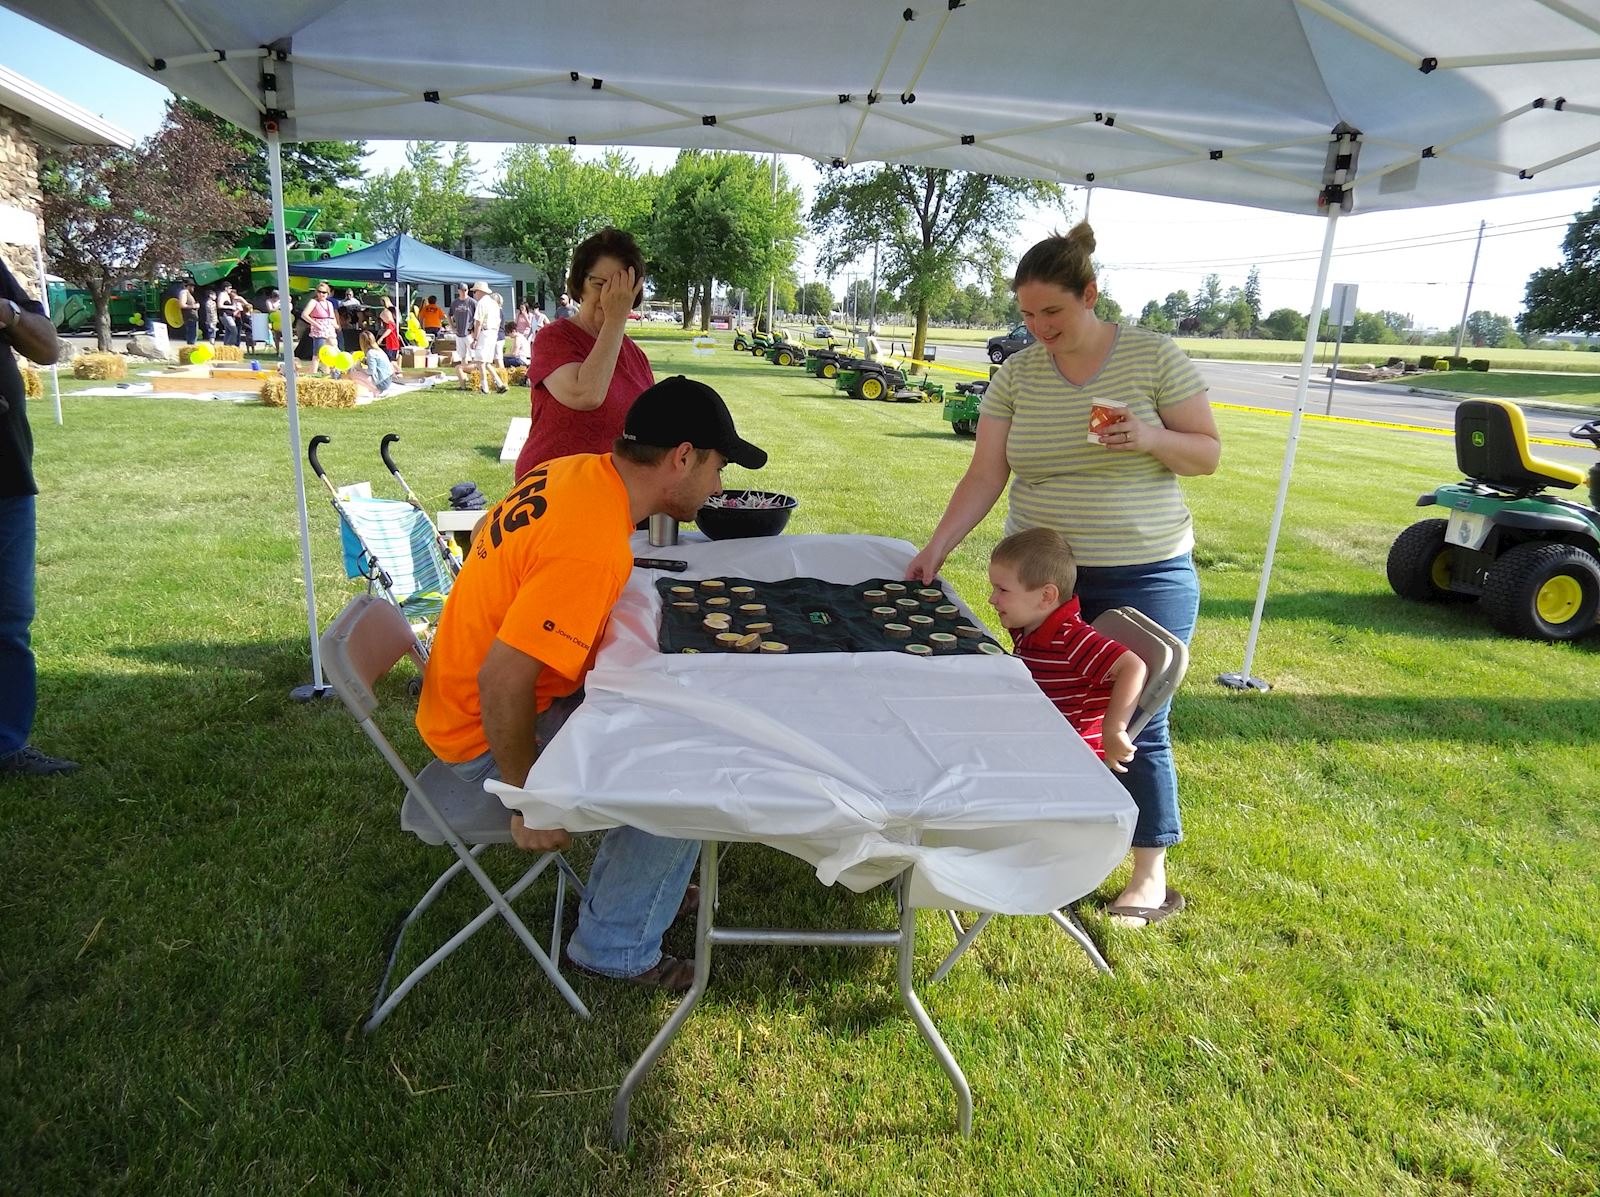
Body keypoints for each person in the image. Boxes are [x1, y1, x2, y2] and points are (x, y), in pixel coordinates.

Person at [907, 222, 1220, 927]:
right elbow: (986, 471)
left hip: (1145, 570)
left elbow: (1206, 453)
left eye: (1053, 312)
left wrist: (1148, 436)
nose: (1039, 327)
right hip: (1046, 584)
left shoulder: (1151, 356)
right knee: (1045, 706)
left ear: (1091, 295)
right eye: (1026, 315)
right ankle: (1055, 849)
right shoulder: (1018, 373)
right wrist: (938, 547)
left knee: (1136, 716)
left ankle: (1149, 872)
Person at [417, 375, 768, 991]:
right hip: (482, 736)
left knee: (676, 711)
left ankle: (637, 880)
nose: (718, 485)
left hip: (468, 703)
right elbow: (503, 680)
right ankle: (614, 946)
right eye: (717, 467)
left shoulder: (580, 473)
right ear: (682, 457)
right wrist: (530, 797)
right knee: (688, 769)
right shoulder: (592, 541)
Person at [0, 254, 77, 775]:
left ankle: (6, 746)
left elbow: (48, 346)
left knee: (9, 618)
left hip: (6, 475)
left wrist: (7, 314)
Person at [988, 528, 1146, 771]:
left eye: (1003, 590)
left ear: (1046, 596)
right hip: (1035, 735)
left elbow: (1132, 666)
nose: (992, 599)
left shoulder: (1070, 638)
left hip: (1068, 756)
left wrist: (1114, 729)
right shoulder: (1029, 624)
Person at [513, 228, 653, 480]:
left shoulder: (637, 357)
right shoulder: (554, 338)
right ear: (580, 284)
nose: (611, 296)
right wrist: (616, 317)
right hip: (553, 490)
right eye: (600, 284)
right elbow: (586, 394)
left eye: (621, 286)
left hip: (613, 496)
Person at [468, 281, 505, 393]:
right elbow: (498, 321)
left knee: (480, 361)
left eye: (475, 291)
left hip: (485, 332)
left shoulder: (482, 303)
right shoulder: (494, 303)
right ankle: (499, 383)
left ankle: (485, 387)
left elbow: (478, 322)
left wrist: (475, 338)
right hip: (493, 332)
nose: (474, 294)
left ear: (480, 291)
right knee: (487, 361)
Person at [300, 283, 339, 375]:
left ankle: (329, 372)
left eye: (324, 292)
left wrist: (337, 325)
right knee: (318, 353)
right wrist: (316, 324)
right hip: (319, 330)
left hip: (329, 329)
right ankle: (313, 373)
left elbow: (332, 317)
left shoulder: (329, 303)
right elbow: (304, 315)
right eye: (319, 292)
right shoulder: (313, 302)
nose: (321, 294)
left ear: (328, 293)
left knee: (333, 349)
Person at [351, 330, 393, 397]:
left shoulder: (371, 353)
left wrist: (359, 368)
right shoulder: (378, 350)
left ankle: (376, 390)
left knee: (353, 375)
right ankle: (376, 390)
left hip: (382, 382)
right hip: (388, 378)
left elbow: (371, 371)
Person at [448, 285, 476, 382]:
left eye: (466, 290)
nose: (464, 292)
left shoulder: (472, 302)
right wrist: (452, 327)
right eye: (462, 290)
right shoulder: (455, 303)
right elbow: (449, 315)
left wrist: (474, 331)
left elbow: (478, 317)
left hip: (469, 333)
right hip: (459, 333)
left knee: (474, 356)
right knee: (462, 356)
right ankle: (464, 377)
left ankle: (475, 377)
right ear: (458, 290)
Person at [177, 280, 199, 345]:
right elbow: (182, 305)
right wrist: (194, 306)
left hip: (193, 317)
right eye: (192, 286)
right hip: (189, 317)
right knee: (191, 335)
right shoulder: (184, 293)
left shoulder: (188, 293)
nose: (193, 288)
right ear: (188, 286)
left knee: (194, 335)